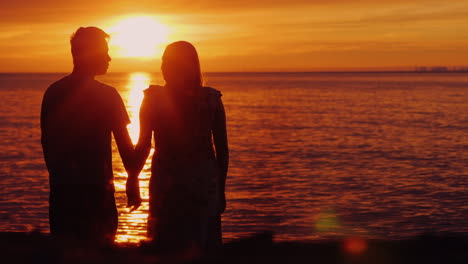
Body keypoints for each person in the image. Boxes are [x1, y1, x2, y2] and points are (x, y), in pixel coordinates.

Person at [40, 27, 141, 244]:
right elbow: (127, 152)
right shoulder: (108, 96)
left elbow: (47, 147)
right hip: (98, 198)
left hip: (62, 197)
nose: (109, 57)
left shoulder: (53, 93)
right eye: (104, 51)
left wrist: (62, 179)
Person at [134, 41, 229, 252]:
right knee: (192, 244)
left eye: (169, 62)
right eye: (163, 62)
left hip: (189, 185)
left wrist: (220, 190)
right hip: (181, 185)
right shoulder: (209, 99)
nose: (163, 67)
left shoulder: (209, 100)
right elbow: (144, 145)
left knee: (177, 246)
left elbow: (223, 151)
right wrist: (132, 179)